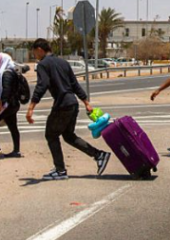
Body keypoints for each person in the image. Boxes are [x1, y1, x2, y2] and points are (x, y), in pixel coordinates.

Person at [25, 39, 111, 181]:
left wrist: (31, 108)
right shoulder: (63, 63)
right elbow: (75, 84)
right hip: (73, 103)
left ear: (39, 49)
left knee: (51, 135)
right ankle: (99, 155)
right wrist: (86, 102)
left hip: (62, 105)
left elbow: (42, 85)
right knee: (69, 136)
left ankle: (60, 170)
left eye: (34, 52)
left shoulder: (43, 65)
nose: (34, 55)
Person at [0, 52, 22, 158]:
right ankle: (16, 150)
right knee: (13, 126)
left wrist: (2, 103)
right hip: (12, 104)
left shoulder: (6, 73)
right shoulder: (10, 71)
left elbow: (6, 89)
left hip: (8, 105)